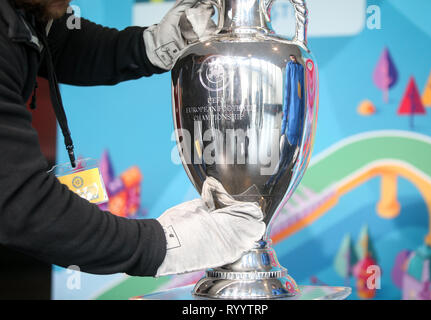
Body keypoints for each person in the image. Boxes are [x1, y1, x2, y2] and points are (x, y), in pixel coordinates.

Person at [0, 0, 265, 278]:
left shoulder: (25, 12)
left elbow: (60, 40)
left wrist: (150, 45)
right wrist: (163, 245)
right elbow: (20, 202)